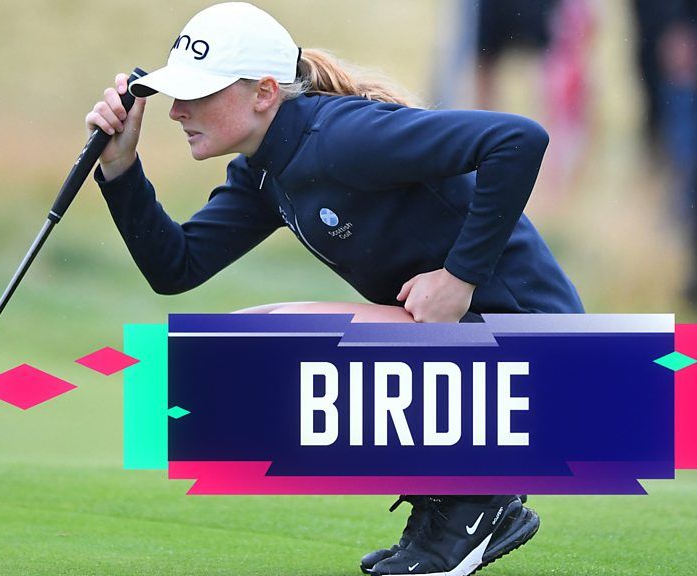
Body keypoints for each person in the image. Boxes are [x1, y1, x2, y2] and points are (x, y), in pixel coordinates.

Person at [85, 3, 584, 575]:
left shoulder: (342, 136)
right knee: (226, 352)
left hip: (542, 362)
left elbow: (518, 139)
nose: (178, 112)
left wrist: (459, 278)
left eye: (199, 93)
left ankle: (476, 503)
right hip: (488, 364)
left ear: (265, 93)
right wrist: (121, 169)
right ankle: (447, 498)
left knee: (274, 340)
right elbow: (176, 268)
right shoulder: (265, 171)